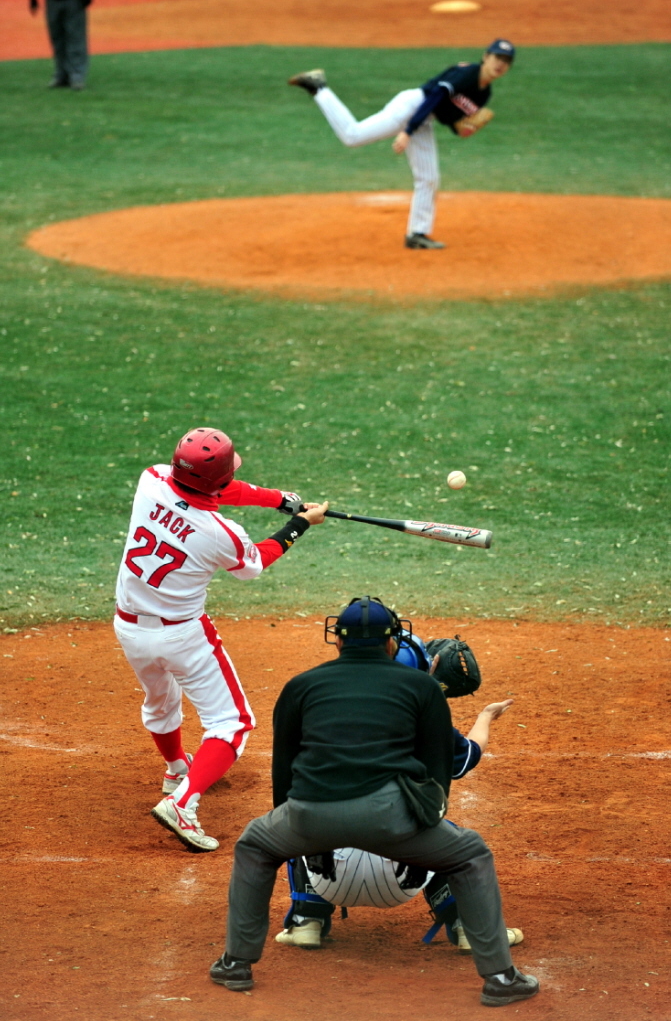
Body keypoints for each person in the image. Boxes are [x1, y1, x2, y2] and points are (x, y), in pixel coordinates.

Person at [210, 597, 539, 1008]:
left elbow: (285, 770)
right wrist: (426, 825)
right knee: (469, 852)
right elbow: (438, 774)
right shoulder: (422, 687)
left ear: (337, 643)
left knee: (255, 845)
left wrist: (296, 834)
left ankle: (236, 963)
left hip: (309, 815)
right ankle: (501, 978)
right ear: (391, 643)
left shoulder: (301, 685)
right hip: (392, 819)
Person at [113, 426, 327, 853]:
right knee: (233, 723)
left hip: (129, 628)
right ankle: (182, 802)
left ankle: (177, 769)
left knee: (160, 701)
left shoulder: (151, 479)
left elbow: (215, 490)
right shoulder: (220, 534)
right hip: (183, 636)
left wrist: (275, 497)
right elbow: (255, 563)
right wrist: (298, 523)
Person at [275, 629, 523, 953]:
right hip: (404, 876)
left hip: (328, 877)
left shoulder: (321, 711)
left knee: (301, 814)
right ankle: (469, 927)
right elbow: (468, 757)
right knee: (446, 833)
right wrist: (486, 716)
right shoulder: (428, 721)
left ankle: (306, 921)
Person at [288, 39, 515, 250]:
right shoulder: (468, 74)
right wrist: (408, 131)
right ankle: (319, 87)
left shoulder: (484, 95)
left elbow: (446, 116)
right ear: (486, 56)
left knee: (429, 177)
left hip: (424, 119)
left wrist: (463, 129)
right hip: (412, 107)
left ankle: (417, 234)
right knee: (352, 136)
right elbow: (435, 95)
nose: (500, 64)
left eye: (505, 62)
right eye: (497, 58)